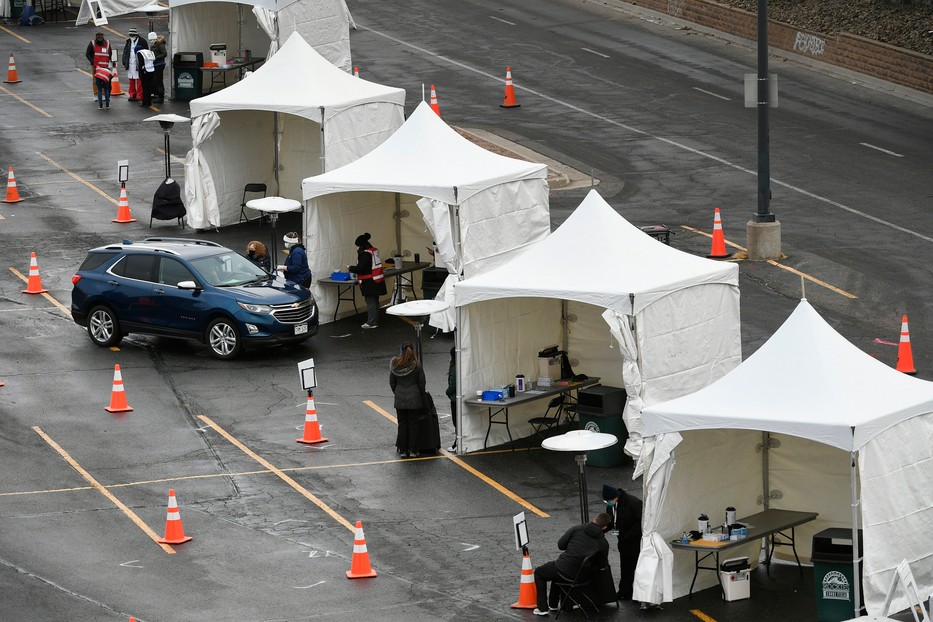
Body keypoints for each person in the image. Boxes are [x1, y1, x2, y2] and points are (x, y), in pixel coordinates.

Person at [533, 513, 612, 616]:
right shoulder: (603, 543)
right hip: (581, 576)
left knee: (539, 572)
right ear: (605, 527)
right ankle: (553, 605)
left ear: (594, 519)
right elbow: (601, 564)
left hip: (564, 568)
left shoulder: (577, 528)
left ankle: (542, 608)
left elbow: (561, 545)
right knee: (556, 573)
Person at [602, 484, 643, 601]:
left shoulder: (634, 503)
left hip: (635, 541)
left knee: (636, 567)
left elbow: (640, 523)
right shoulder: (611, 506)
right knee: (625, 567)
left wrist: (628, 535)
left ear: (616, 497)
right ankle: (625, 591)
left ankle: (637, 593)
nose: (608, 503)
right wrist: (602, 529)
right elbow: (611, 521)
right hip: (623, 542)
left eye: (609, 500)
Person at [389, 342, 426, 459]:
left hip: (400, 399)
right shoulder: (417, 366)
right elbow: (422, 383)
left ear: (401, 351)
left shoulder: (395, 365)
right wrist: (419, 395)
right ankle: (413, 450)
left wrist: (398, 392)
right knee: (414, 425)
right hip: (414, 400)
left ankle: (403, 450)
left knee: (402, 425)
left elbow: (392, 382)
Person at [347, 232, 386, 329]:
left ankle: (372, 322)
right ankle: (375, 320)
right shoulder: (373, 251)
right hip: (377, 280)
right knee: (375, 302)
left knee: (371, 302)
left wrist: (350, 268)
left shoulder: (365, 254)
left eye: (357, 246)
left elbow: (360, 268)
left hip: (369, 281)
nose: (357, 248)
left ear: (361, 245)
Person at [122, 27, 148, 102]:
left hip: (139, 64)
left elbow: (146, 52)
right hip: (130, 63)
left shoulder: (142, 41)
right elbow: (125, 52)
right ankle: (132, 95)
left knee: (139, 80)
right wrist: (124, 62)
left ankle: (139, 95)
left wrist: (144, 63)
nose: (131, 37)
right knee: (131, 80)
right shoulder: (128, 41)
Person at [85, 31, 111, 102]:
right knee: (95, 80)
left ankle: (103, 95)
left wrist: (111, 62)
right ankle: (96, 95)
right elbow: (88, 54)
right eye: (98, 37)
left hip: (105, 65)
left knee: (104, 80)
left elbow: (110, 53)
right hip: (95, 66)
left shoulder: (107, 43)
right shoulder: (92, 43)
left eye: (101, 37)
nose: (100, 38)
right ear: (96, 37)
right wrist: (92, 61)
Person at [148, 32, 167, 104]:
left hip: (159, 64)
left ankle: (160, 96)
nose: (151, 42)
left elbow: (164, 53)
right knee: (155, 80)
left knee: (159, 80)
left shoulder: (160, 44)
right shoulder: (154, 44)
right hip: (156, 64)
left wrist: (155, 58)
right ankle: (157, 94)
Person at [446, 346, 457, 451]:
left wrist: (447, 392)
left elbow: (453, 384)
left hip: (455, 399)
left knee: (456, 421)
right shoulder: (462, 365)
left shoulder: (454, 368)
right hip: (459, 398)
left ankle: (457, 443)